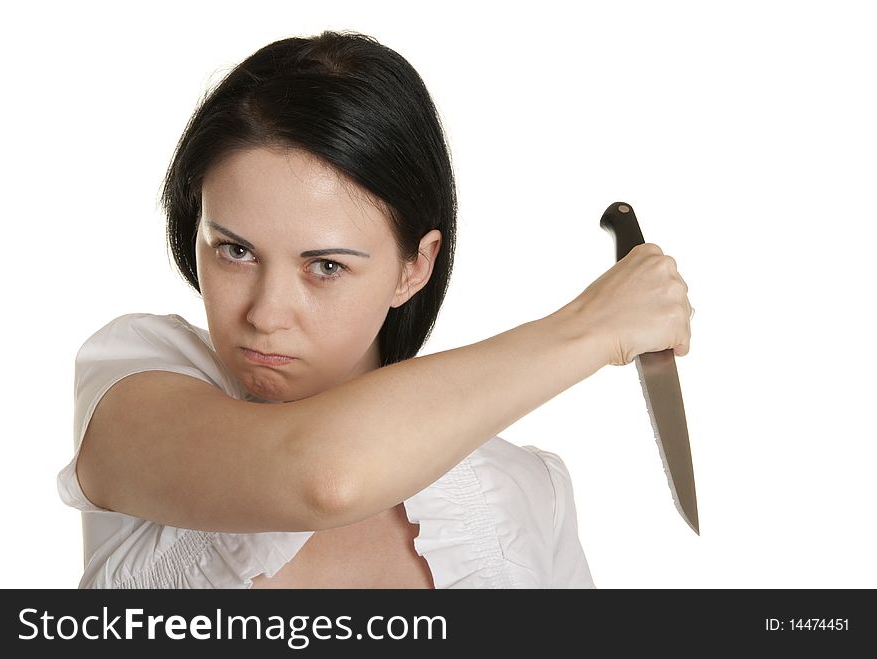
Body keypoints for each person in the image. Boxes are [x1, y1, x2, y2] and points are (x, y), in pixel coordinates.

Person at [57, 31, 692, 589]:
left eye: (325, 266)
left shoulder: (525, 495)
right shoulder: (132, 381)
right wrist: (593, 326)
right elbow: (323, 478)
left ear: (415, 266)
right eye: (235, 250)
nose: (266, 314)